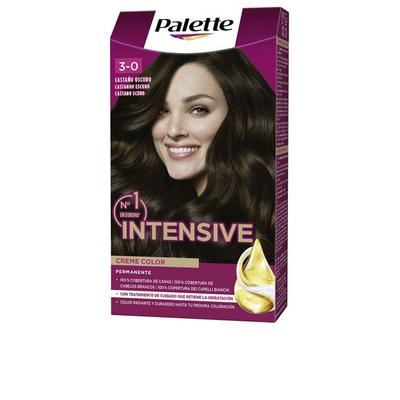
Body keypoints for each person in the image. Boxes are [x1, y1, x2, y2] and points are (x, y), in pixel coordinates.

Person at [111, 49, 275, 263]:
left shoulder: (269, 217)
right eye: (162, 111)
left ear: (240, 117)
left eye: (198, 110)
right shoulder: (140, 217)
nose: (173, 130)